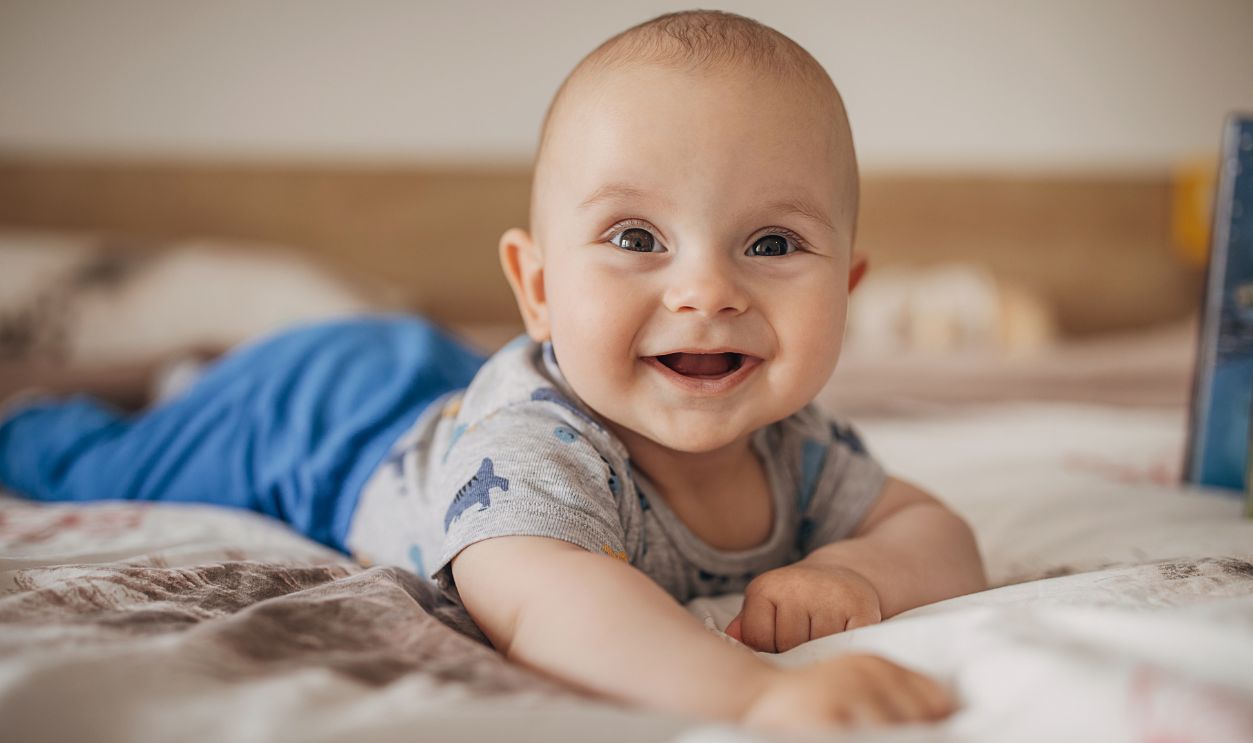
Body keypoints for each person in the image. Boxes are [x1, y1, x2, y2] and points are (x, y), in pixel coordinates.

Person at [0, 10, 987, 733]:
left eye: (770, 242)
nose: (705, 290)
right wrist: (758, 694)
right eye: (636, 235)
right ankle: (55, 409)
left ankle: (184, 380)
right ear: (538, 284)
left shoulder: (796, 443)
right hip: (324, 414)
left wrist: (858, 568)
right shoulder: (534, 451)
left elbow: (929, 527)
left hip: (448, 381)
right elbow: (546, 600)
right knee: (90, 458)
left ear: (847, 289)